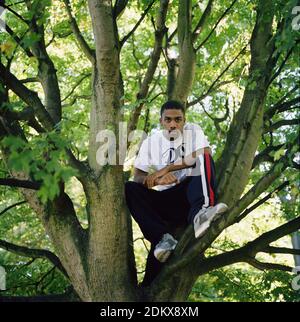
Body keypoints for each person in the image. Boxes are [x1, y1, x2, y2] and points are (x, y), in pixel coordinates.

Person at [125, 100, 227, 285]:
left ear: (184, 120)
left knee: (203, 157)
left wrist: (166, 169)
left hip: (190, 194)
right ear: (161, 121)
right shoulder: (151, 142)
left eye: (178, 119)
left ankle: (201, 214)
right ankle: (162, 239)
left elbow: (204, 152)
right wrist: (156, 180)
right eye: (168, 119)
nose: (173, 124)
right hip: (165, 201)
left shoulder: (193, 131)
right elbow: (138, 177)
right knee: (129, 188)